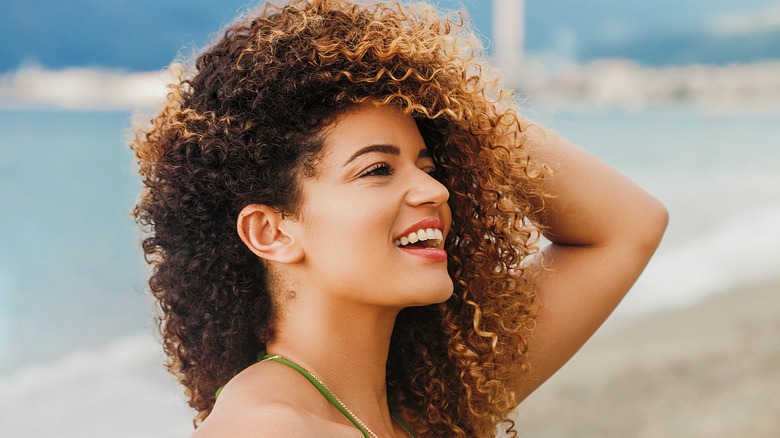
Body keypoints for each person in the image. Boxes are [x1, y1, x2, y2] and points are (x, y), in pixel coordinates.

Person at [131, 0, 668, 436]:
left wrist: (449, 103)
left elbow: (628, 226)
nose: (434, 189)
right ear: (271, 232)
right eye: (377, 169)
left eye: (429, 165)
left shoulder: (426, 407)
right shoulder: (265, 429)